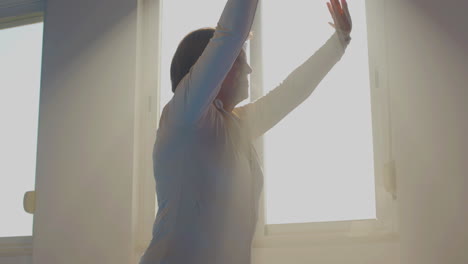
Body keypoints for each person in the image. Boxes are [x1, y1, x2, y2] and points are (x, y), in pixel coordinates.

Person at [139, 0, 352, 263]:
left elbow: (291, 92)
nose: (249, 69)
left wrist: (340, 41)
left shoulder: (236, 124)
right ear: (210, 68)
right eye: (240, 59)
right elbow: (231, 34)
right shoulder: (184, 117)